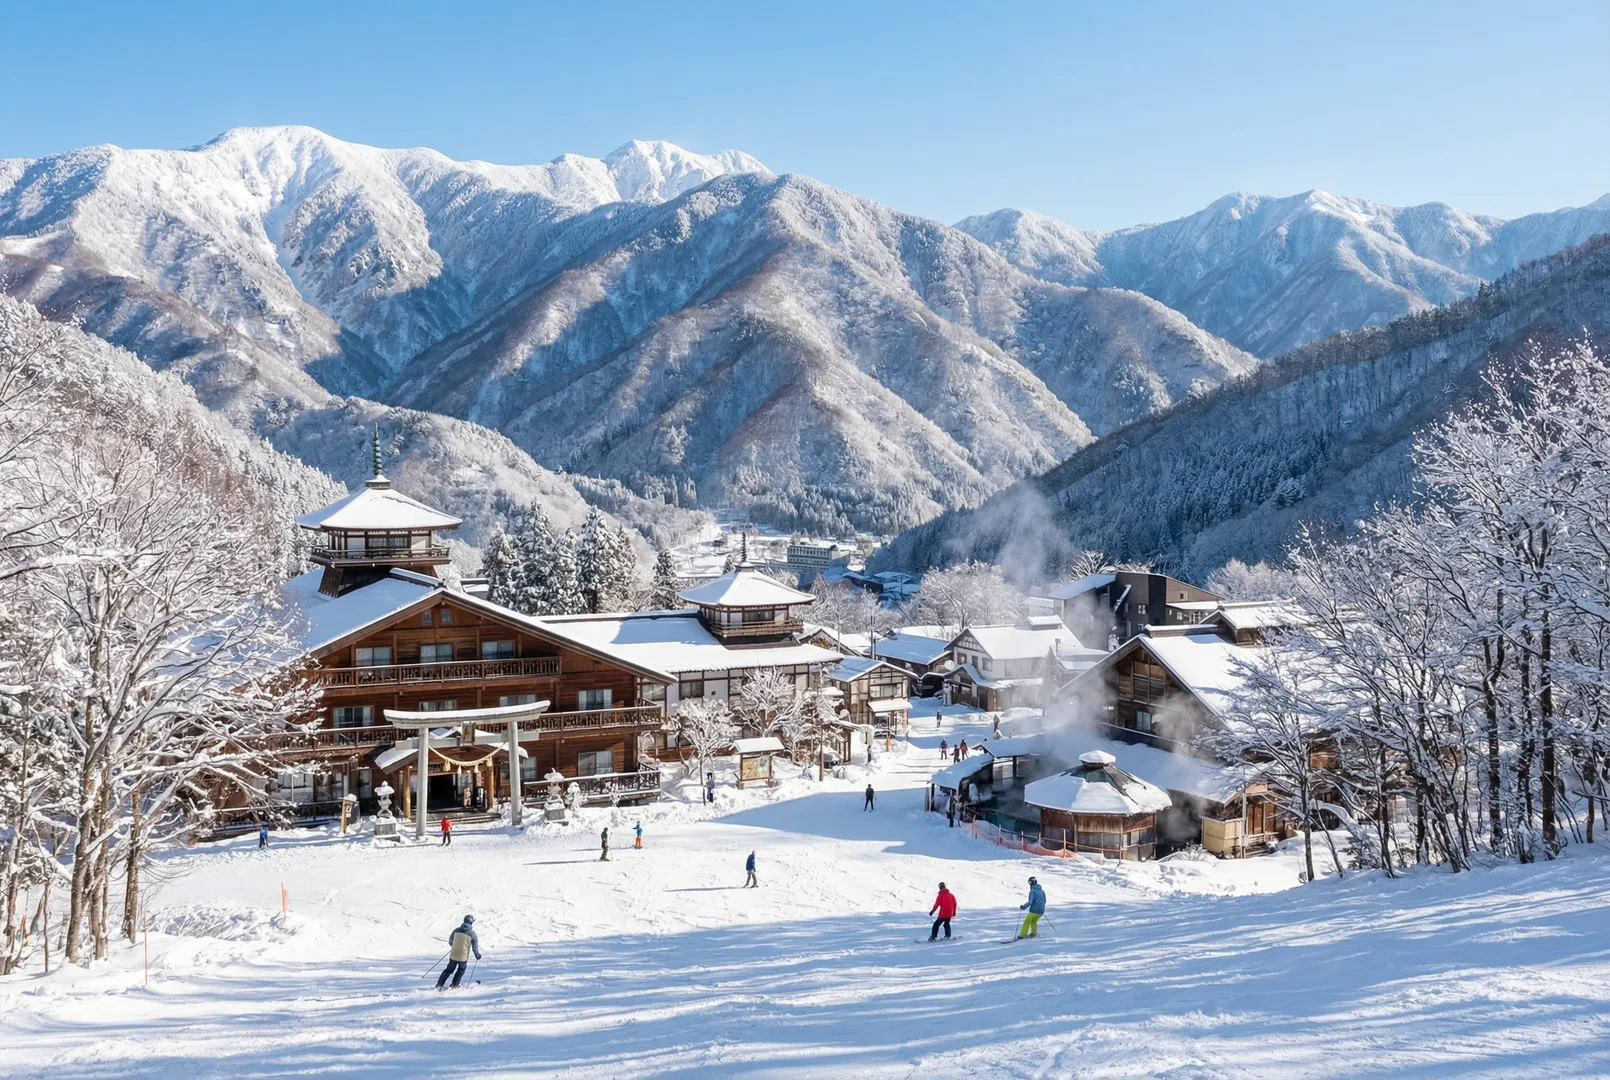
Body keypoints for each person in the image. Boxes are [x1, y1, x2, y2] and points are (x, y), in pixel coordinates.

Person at [436, 914, 481, 990]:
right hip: (463, 956)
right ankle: (455, 985)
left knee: (448, 970)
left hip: (453, 954)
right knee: (461, 970)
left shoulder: (456, 930)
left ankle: (439, 985)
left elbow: (450, 941)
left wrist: (455, 946)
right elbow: (474, 948)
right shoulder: (472, 934)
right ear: (471, 923)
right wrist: (477, 955)